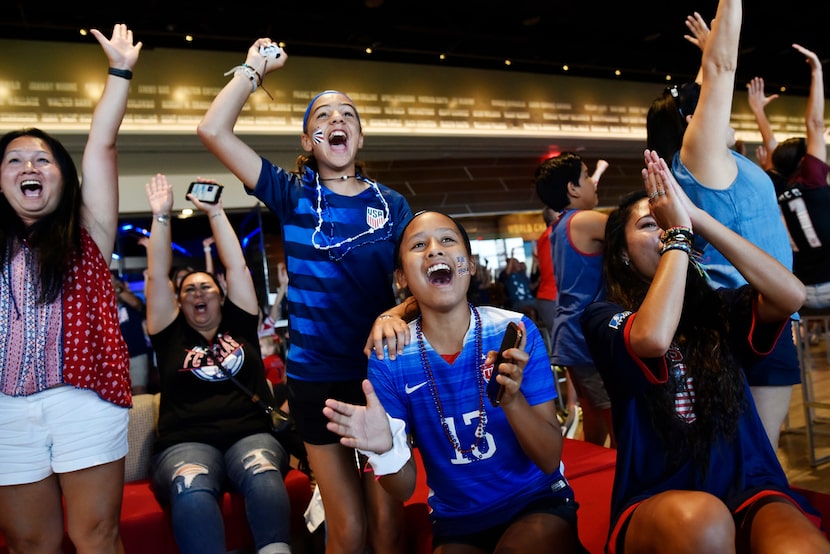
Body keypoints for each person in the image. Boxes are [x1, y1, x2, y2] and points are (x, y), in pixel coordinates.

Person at [197, 40, 413, 554]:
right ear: (309, 138)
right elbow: (212, 130)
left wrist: (397, 310)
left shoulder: (394, 204)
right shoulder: (292, 194)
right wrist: (253, 70)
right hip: (315, 380)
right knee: (350, 529)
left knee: (386, 528)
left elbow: (417, 289)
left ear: (358, 136)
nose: (336, 119)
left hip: (381, 373)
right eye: (323, 114)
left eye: (347, 115)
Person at [581, 151, 830, 554]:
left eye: (670, 222)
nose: (664, 228)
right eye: (650, 224)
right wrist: (678, 236)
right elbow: (653, 338)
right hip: (657, 494)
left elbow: (791, 296)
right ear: (623, 253)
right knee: (704, 521)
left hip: (746, 483)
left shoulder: (720, 305)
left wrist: (698, 217)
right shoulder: (602, 316)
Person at [324, 210, 585, 553]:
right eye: (419, 245)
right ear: (401, 277)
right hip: (457, 522)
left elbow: (550, 459)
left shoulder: (515, 330)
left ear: (471, 265)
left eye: (447, 239)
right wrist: (385, 450)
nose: (434, 250)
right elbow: (404, 488)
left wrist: (511, 400)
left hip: (537, 502)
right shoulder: (391, 358)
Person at [0, 24, 139, 553]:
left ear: (62, 176)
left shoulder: (89, 235)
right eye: (15, 160)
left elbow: (101, 143)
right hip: (5, 409)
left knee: (95, 535)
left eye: (43, 160)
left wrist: (120, 71)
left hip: (85, 399)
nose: (30, 166)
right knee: (30, 541)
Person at [645, 0, 798, 450]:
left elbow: (706, 78)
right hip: (744, 313)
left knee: (752, 458)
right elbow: (721, 68)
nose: (724, 111)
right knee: (758, 460)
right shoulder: (700, 159)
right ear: (694, 123)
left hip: (758, 309)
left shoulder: (710, 162)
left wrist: (706, 54)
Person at [143, 174, 292, 554]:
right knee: (191, 487)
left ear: (221, 295)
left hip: (250, 434)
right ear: (179, 301)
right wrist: (161, 216)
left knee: (263, 473)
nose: (197, 292)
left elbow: (238, 268)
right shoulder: (169, 331)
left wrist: (216, 212)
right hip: (185, 443)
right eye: (189, 289)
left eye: (205, 286)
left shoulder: (240, 320)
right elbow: (157, 276)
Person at [533, 152, 615, 448]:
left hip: (570, 333)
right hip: (586, 337)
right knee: (615, 412)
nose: (594, 184)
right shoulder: (586, 221)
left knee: (593, 412)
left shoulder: (561, 226)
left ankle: (595, 469)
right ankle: (630, 483)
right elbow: (633, 237)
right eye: (585, 176)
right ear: (573, 189)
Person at [748, 45, 830, 310]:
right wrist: (817, 71)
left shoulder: (776, 184)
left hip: (801, 292)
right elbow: (815, 124)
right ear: (806, 161)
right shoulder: (813, 179)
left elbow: (771, 146)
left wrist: (759, 111)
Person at [113, 273, 152, 394]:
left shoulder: (132, 303)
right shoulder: (103, 307)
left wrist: (118, 287)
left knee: (139, 392)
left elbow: (136, 304)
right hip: (115, 358)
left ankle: (141, 413)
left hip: (136, 354)